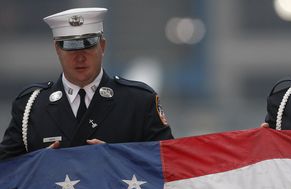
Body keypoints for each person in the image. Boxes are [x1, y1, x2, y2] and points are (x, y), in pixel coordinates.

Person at [0, 8, 173, 160]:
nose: (80, 57)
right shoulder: (31, 107)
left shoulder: (138, 102)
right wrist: (39, 164)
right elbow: (7, 172)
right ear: (57, 49)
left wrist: (119, 158)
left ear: (102, 46)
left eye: (88, 46)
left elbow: (170, 167)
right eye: (71, 47)